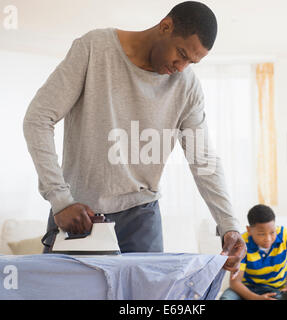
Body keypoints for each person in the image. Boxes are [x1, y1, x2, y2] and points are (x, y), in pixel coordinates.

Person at [23, 1, 246, 275]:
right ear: (166, 26)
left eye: (191, 62)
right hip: (80, 215)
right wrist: (60, 200)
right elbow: (38, 119)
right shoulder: (95, 48)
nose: (181, 67)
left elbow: (203, 160)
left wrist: (229, 225)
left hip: (142, 217)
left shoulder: (187, 86)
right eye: (181, 54)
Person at [220, 204, 287, 300]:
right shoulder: (242, 244)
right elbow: (235, 283)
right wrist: (256, 298)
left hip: (275, 291)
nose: (268, 239)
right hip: (246, 290)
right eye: (261, 234)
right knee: (226, 298)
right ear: (249, 230)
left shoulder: (284, 235)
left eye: (272, 232)